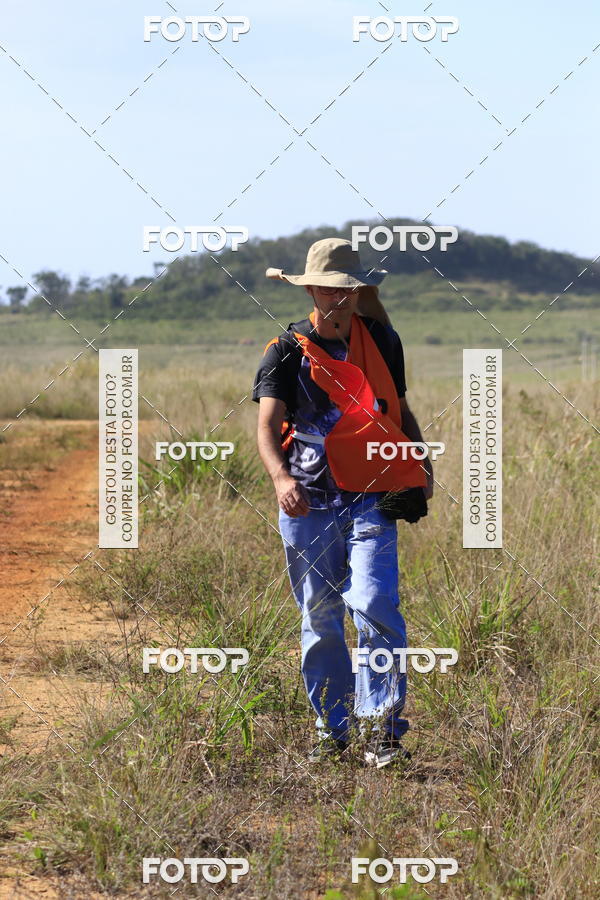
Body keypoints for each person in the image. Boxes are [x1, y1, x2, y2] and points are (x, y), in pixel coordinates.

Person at [252, 238, 433, 768]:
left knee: (376, 603)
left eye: (350, 290)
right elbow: (266, 427)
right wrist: (280, 478)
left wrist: (420, 463)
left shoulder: (379, 340)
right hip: (308, 499)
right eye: (331, 289)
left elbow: (397, 409)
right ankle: (331, 730)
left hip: (373, 495)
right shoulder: (285, 349)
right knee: (320, 612)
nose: (341, 299)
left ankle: (383, 730)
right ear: (311, 289)